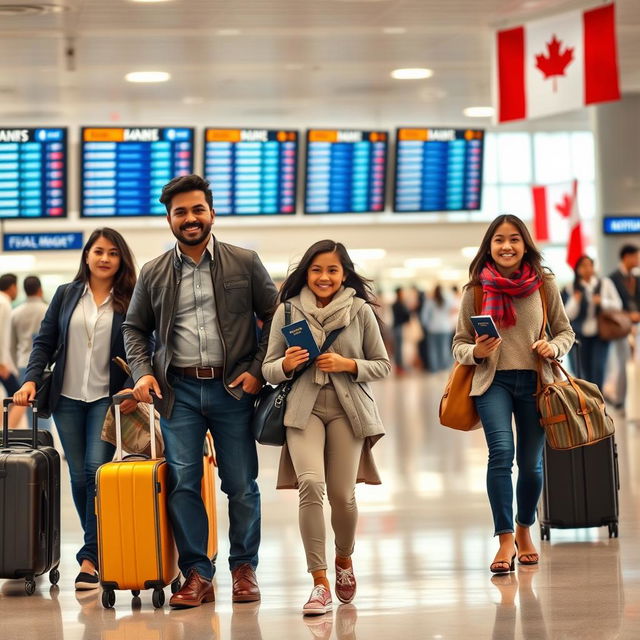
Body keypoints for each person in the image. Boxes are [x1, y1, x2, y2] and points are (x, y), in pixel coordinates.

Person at [123, 174, 278, 609]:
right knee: (184, 483)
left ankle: (244, 567)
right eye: (180, 213)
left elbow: (275, 316)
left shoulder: (244, 262)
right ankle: (197, 574)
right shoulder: (154, 272)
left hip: (233, 391)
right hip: (180, 393)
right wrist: (141, 371)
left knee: (242, 484)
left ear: (211, 212)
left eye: (197, 210)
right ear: (169, 219)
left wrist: (255, 371)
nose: (190, 219)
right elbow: (135, 328)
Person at [262, 239, 390, 615]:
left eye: (332, 270)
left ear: (344, 274)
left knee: (342, 494)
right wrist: (286, 363)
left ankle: (344, 559)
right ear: (306, 272)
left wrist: (349, 365)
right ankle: (319, 582)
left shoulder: (360, 311)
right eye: (316, 269)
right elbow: (268, 368)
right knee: (311, 485)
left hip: (348, 412)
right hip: (303, 411)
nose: (324, 277)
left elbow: (381, 364)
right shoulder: (287, 311)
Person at [13, 229, 138, 590]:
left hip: (107, 399)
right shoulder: (67, 295)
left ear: (121, 260)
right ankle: (97, 548)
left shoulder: (130, 299)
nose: (104, 258)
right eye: (98, 251)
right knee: (79, 477)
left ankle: (90, 557)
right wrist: (30, 379)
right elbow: (45, 340)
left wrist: (136, 383)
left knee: (96, 472)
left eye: (113, 253)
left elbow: (144, 343)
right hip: (67, 399)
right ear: (86, 256)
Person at [452, 215, 574, 574]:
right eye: (499, 240)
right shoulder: (475, 290)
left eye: (514, 239)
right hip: (493, 383)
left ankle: (524, 529)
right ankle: (505, 538)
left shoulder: (544, 284)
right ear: (489, 246)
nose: (507, 246)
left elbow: (565, 331)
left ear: (525, 245)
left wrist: (553, 346)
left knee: (532, 464)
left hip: (537, 383)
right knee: (501, 454)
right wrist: (477, 352)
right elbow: (458, 344)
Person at [562, 255, 622, 389]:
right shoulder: (572, 287)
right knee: (583, 370)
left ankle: (599, 402)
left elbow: (618, 305)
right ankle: (587, 403)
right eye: (583, 266)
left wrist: (602, 302)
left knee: (599, 368)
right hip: (580, 335)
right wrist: (575, 301)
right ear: (577, 269)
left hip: (601, 333)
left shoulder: (604, 284)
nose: (587, 269)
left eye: (590, 265)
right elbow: (567, 315)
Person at [9, 276, 52, 429]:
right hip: (43, 366)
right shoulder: (48, 309)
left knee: (26, 406)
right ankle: (44, 441)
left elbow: (11, 345)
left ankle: (33, 441)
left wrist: (14, 366)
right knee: (42, 408)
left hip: (22, 364)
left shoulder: (16, 312)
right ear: (40, 290)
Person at [608, 244, 640, 409]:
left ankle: (633, 400)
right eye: (635, 256)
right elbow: (612, 306)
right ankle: (621, 400)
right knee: (624, 362)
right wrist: (628, 316)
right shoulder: (612, 278)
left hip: (637, 325)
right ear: (626, 257)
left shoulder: (636, 278)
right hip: (621, 327)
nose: (638, 260)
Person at [421, 284, 453, 372]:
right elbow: (452, 310)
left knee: (433, 349)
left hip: (433, 328)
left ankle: (434, 368)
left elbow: (424, 317)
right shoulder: (447, 301)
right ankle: (444, 367)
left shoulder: (430, 302)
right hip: (445, 328)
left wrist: (426, 326)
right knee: (444, 348)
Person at [0, 273, 20, 398]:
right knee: (18, 397)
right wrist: (2, 363)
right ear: (12, 287)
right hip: (2, 363)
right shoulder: (4, 303)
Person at [391, 287, 410, 374]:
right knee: (399, 349)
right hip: (399, 328)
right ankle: (400, 367)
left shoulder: (396, 304)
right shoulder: (399, 304)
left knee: (399, 348)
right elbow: (406, 315)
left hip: (397, 327)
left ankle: (399, 366)